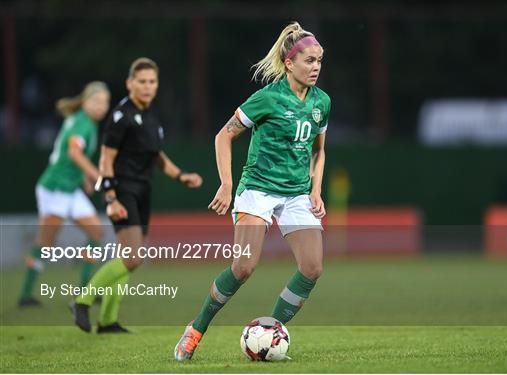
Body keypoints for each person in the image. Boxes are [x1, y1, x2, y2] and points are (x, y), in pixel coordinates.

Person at [174, 21, 331, 361]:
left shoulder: (322, 102)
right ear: (289, 63)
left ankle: (270, 334)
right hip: (258, 189)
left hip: (297, 193)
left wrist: (316, 189)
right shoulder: (268, 98)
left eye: (319, 60)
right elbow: (223, 135)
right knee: (243, 267)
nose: (316, 66)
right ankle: (195, 329)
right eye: (309, 60)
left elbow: (319, 150)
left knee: (312, 268)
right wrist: (227, 184)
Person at [71, 57, 203, 333]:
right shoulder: (121, 116)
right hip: (122, 190)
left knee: (128, 259)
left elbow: (157, 156)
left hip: (143, 190)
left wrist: (180, 175)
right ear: (130, 84)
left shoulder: (152, 115)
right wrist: (110, 198)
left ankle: (107, 321)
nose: (147, 86)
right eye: (141, 81)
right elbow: (105, 161)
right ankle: (82, 300)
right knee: (133, 258)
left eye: (152, 81)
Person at [19, 82, 110, 307]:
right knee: (45, 244)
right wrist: (98, 177)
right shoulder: (83, 123)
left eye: (105, 102)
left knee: (96, 231)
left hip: (69, 188)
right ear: (85, 101)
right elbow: (73, 153)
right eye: (97, 101)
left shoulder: (86, 122)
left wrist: (84, 179)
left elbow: (68, 156)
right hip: (54, 188)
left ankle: (85, 291)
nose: (102, 107)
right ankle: (25, 295)